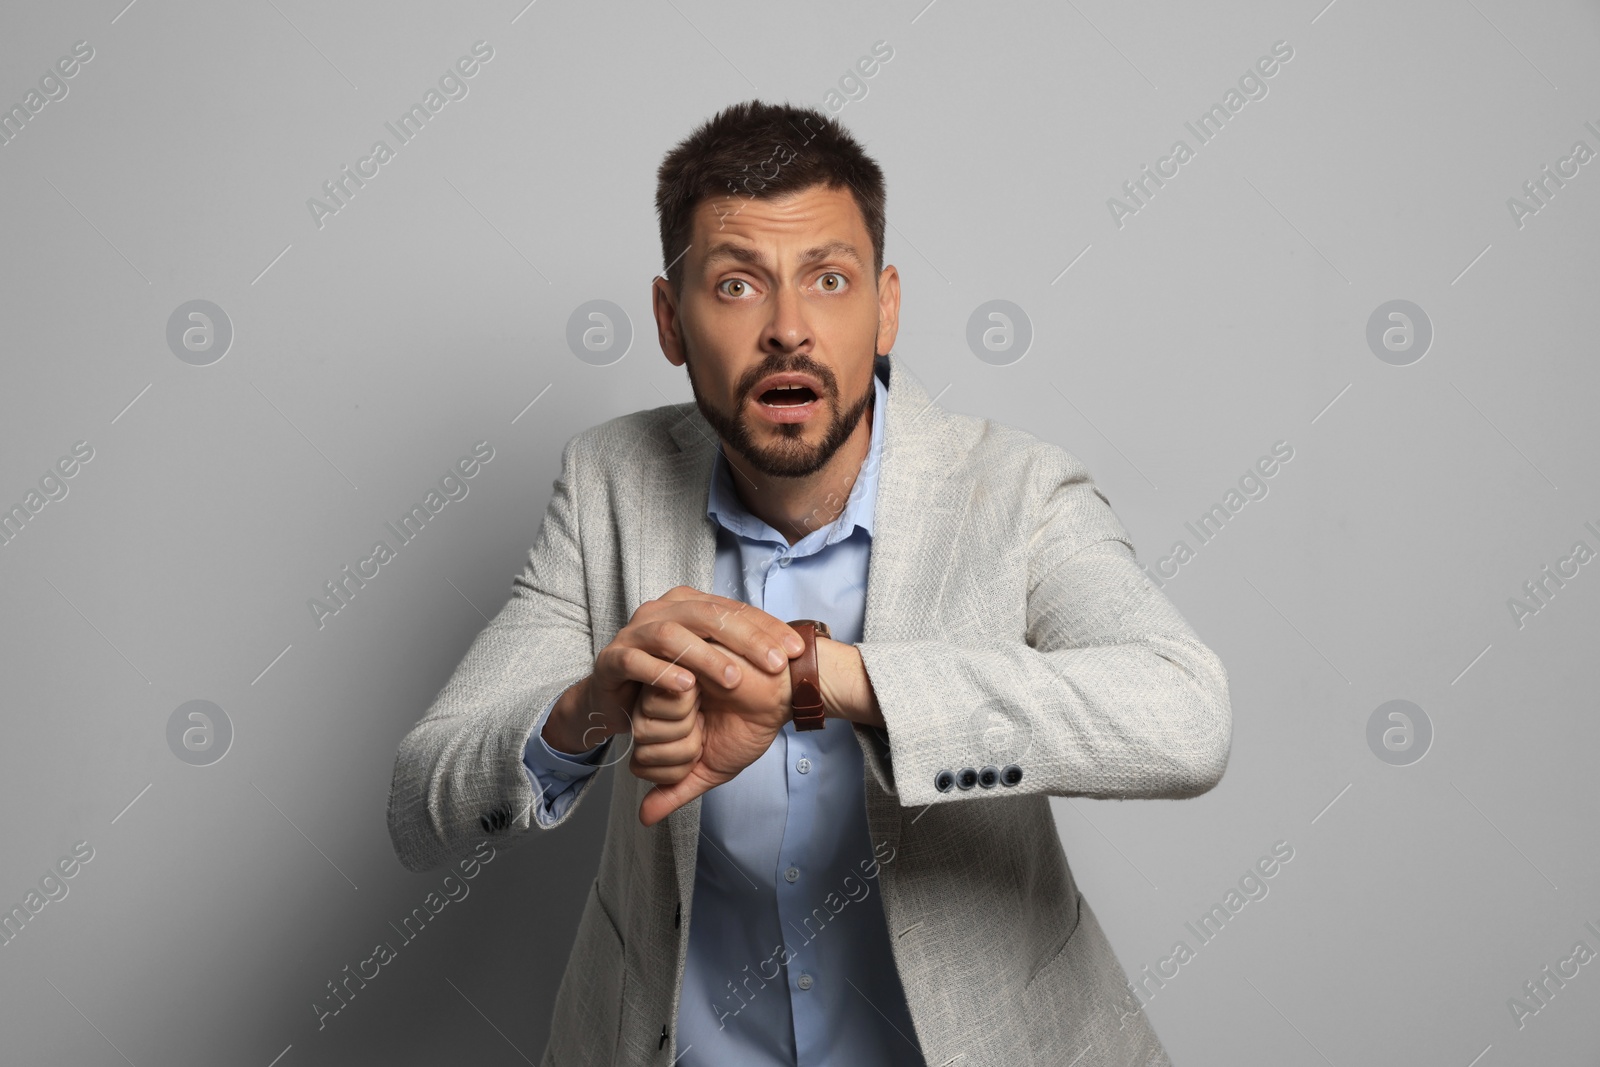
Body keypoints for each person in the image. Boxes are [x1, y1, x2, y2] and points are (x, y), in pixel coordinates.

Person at [386, 99, 1232, 1067]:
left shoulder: (1018, 492)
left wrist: (820, 681)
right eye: (737, 284)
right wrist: (588, 708)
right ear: (670, 319)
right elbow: (421, 801)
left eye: (828, 280)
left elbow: (1186, 715)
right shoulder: (606, 484)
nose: (788, 329)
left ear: (885, 308)